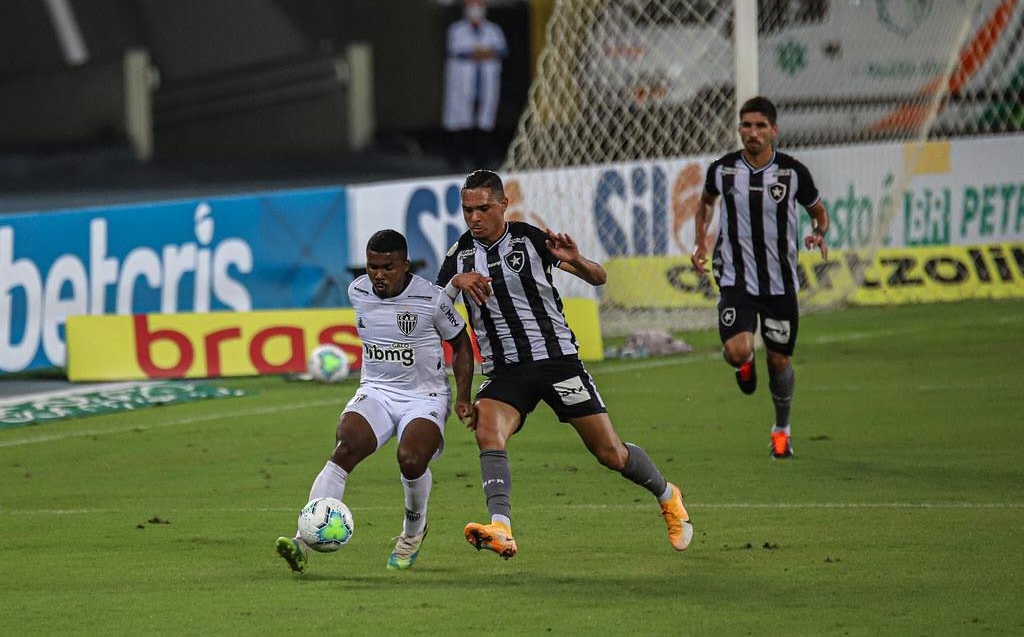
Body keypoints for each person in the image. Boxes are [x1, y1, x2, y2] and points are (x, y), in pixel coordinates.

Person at [437, 170, 693, 559]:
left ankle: (667, 494)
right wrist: (457, 282)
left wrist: (577, 260)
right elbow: (434, 310)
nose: (474, 217)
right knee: (488, 429)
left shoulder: (529, 240)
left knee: (610, 453)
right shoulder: (459, 256)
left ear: (503, 205)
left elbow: (597, 277)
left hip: (558, 363)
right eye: (467, 209)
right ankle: (501, 529)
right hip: (507, 372)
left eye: (483, 208)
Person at [276, 229, 474, 572]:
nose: (378, 275)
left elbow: (461, 344)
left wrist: (463, 397)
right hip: (377, 391)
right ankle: (302, 541)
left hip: (424, 396)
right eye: (372, 267)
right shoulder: (357, 291)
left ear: (405, 265)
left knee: (411, 459)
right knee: (346, 446)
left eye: (387, 267)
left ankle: (412, 533)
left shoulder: (432, 299)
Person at [690, 96, 830, 459]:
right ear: (739, 129)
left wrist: (819, 231)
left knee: (780, 361)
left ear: (774, 130)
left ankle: (781, 429)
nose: (752, 133)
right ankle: (745, 362)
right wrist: (700, 241)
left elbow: (818, 212)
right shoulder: (722, 170)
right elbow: (704, 203)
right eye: (746, 126)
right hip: (735, 277)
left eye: (760, 126)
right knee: (737, 350)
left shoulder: (792, 172)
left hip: (780, 282)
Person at [442, 0, 507, 170]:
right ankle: (457, 161)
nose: (475, 12)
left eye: (478, 8)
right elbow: (460, 52)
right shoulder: (457, 30)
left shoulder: (493, 30)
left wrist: (482, 53)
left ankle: (482, 161)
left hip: (485, 83)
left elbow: (501, 50)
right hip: (463, 83)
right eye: (471, 8)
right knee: (460, 121)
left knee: (484, 122)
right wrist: (483, 53)